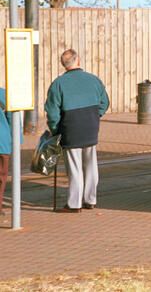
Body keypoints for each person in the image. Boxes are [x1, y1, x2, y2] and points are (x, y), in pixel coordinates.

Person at [45, 49, 109, 213]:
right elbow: (105, 102)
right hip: (91, 126)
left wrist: (55, 129)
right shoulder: (94, 80)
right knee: (91, 165)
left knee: (74, 168)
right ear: (78, 60)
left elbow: (52, 112)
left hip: (70, 127)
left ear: (63, 64)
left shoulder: (58, 84)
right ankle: (90, 199)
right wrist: (95, 115)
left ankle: (74, 204)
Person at [0, 88, 15, 217]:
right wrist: (16, 141)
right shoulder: (3, 93)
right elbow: (12, 118)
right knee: (1, 176)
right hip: (2, 141)